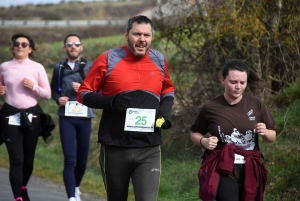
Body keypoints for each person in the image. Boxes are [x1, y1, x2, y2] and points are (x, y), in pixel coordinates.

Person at [76, 15, 175, 201]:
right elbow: (83, 93)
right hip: (115, 146)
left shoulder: (159, 60)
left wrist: (166, 112)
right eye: (137, 34)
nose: (142, 39)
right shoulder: (108, 59)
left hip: (149, 147)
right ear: (126, 35)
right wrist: (110, 102)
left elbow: (168, 90)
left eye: (147, 35)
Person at [190, 59, 277, 201]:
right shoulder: (210, 107)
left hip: (250, 166)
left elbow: (272, 137)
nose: (238, 87)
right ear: (223, 80)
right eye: (233, 82)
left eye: (243, 83)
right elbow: (194, 132)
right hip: (222, 165)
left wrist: (265, 132)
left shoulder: (256, 104)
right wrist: (204, 141)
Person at [0, 33, 55, 201]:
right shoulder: (4, 67)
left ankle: (23, 187)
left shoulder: (37, 67)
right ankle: (18, 197)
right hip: (10, 114)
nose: (19, 46)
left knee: (28, 159)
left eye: (24, 44)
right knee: (16, 158)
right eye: (17, 43)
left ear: (30, 49)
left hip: (32, 114)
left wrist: (35, 87)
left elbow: (47, 94)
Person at [50, 33, 96, 201]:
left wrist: (84, 89)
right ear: (65, 48)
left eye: (76, 44)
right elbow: (54, 90)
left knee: (82, 160)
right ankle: (71, 197)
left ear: (81, 47)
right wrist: (57, 99)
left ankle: (76, 187)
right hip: (66, 116)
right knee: (70, 159)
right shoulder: (59, 68)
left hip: (84, 116)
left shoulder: (90, 66)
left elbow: (99, 90)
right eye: (69, 44)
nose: (73, 47)